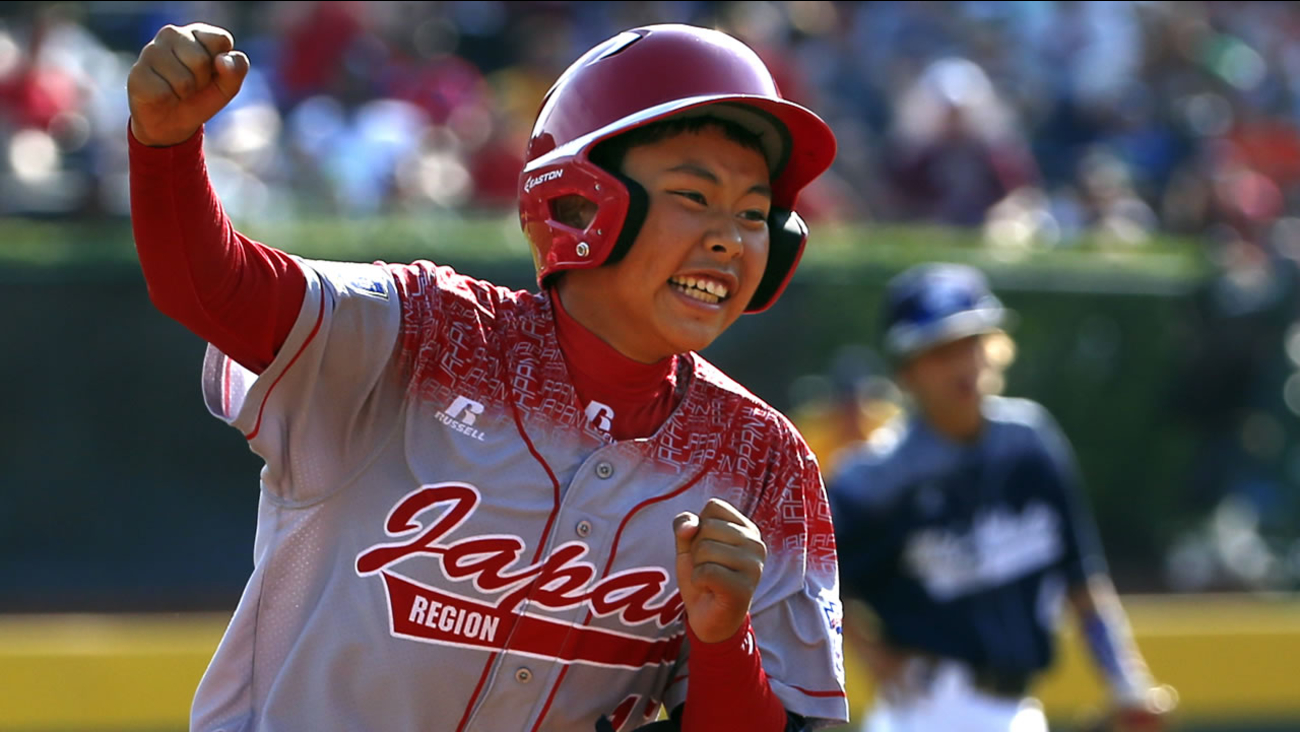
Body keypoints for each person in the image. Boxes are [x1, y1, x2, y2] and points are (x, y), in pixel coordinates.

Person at [126, 21, 847, 732]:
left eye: (755, 214)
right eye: (696, 196)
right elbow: (210, 287)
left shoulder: (762, 461)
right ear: (580, 200)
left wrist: (725, 642)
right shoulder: (421, 334)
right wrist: (165, 147)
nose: (731, 237)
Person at [827, 264, 1175, 732]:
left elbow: (1082, 579)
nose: (963, 364)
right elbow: (810, 579)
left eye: (971, 343)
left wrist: (1126, 681)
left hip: (1016, 707)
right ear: (905, 371)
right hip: (930, 707)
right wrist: (874, 656)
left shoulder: (1030, 444)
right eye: (939, 351)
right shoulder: (874, 480)